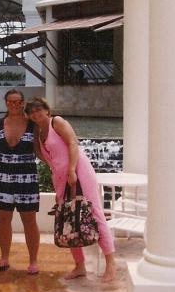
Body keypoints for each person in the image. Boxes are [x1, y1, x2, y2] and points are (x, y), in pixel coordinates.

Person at [25, 97, 117, 282]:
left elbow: (73, 143)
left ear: (47, 110)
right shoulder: (38, 132)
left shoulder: (56, 122)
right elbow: (51, 160)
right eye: (31, 112)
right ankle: (79, 266)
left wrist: (72, 170)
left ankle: (111, 263)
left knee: (94, 213)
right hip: (61, 178)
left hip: (78, 172)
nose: (35, 114)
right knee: (68, 218)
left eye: (38, 110)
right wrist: (59, 184)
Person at [0, 89, 40, 275]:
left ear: (23, 103)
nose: (14, 105)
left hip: (27, 177)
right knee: (4, 219)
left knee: (29, 220)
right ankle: (4, 257)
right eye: (10, 102)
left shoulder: (33, 125)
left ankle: (33, 261)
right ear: (6, 103)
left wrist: (57, 166)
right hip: (2, 177)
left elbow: (40, 150)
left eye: (17, 102)